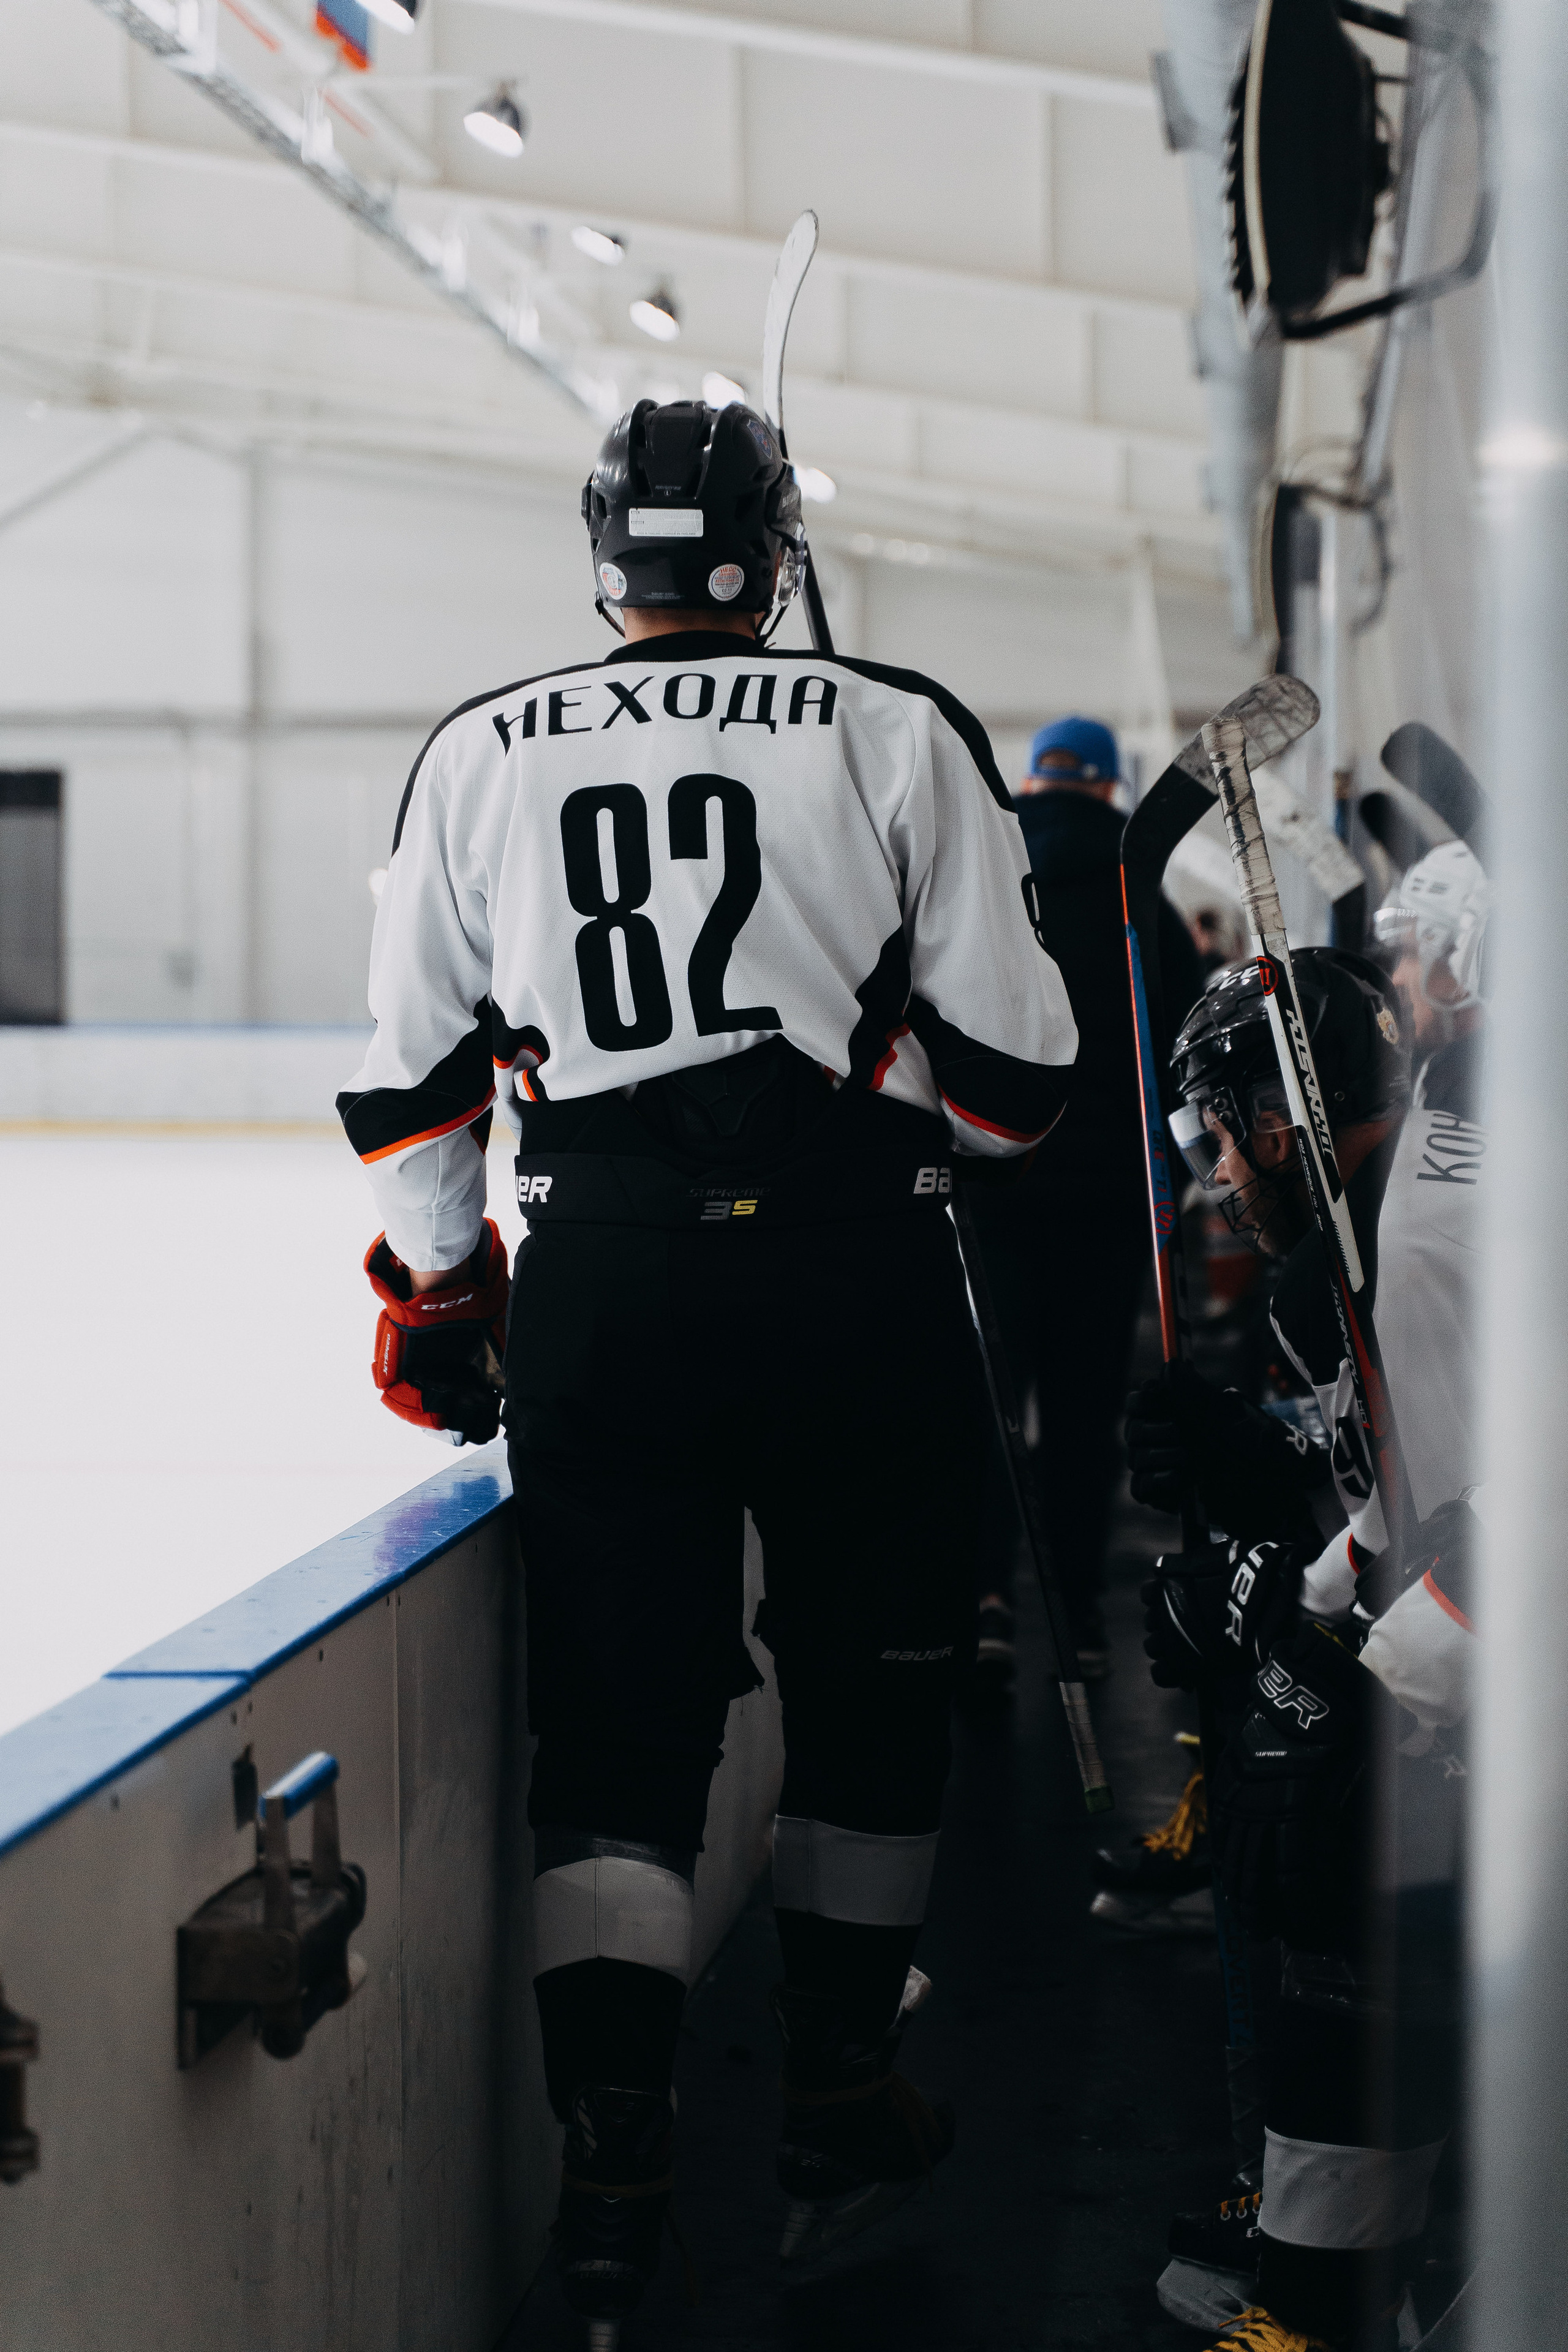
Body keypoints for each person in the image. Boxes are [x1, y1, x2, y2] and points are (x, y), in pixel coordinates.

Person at [336, 397, 1079, 2346]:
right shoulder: (897, 722)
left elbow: (414, 1079)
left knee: (615, 1753)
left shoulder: (479, 748)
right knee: (874, 1709)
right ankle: (836, 2096)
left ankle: (612, 2180)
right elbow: (1020, 1100)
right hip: (858, 1286)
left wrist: (440, 1292)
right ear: (772, 543)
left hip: (606, 1285)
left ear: (606, 556)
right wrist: (873, 1060)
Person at [1133, 910, 1487, 2352]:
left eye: (1218, 1138)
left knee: (1344, 1849)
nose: (1210, 1176)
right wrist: (1293, 1601)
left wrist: (1364, 1682)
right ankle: (1331, 2267)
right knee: (1330, 1816)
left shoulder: (1413, 1248)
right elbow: (1407, 1504)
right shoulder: (1378, 1217)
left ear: (1279, 1128)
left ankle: (1341, 2290)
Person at [967, 715, 1204, 1687]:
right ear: (1110, 788)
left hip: (993, 1194)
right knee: (1082, 1415)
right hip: (1111, 1209)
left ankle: (983, 1601)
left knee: (989, 1407)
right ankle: (1079, 1621)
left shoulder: (985, 878)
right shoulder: (1147, 894)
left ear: (1034, 781)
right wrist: (1174, 1188)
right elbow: (1191, 1066)